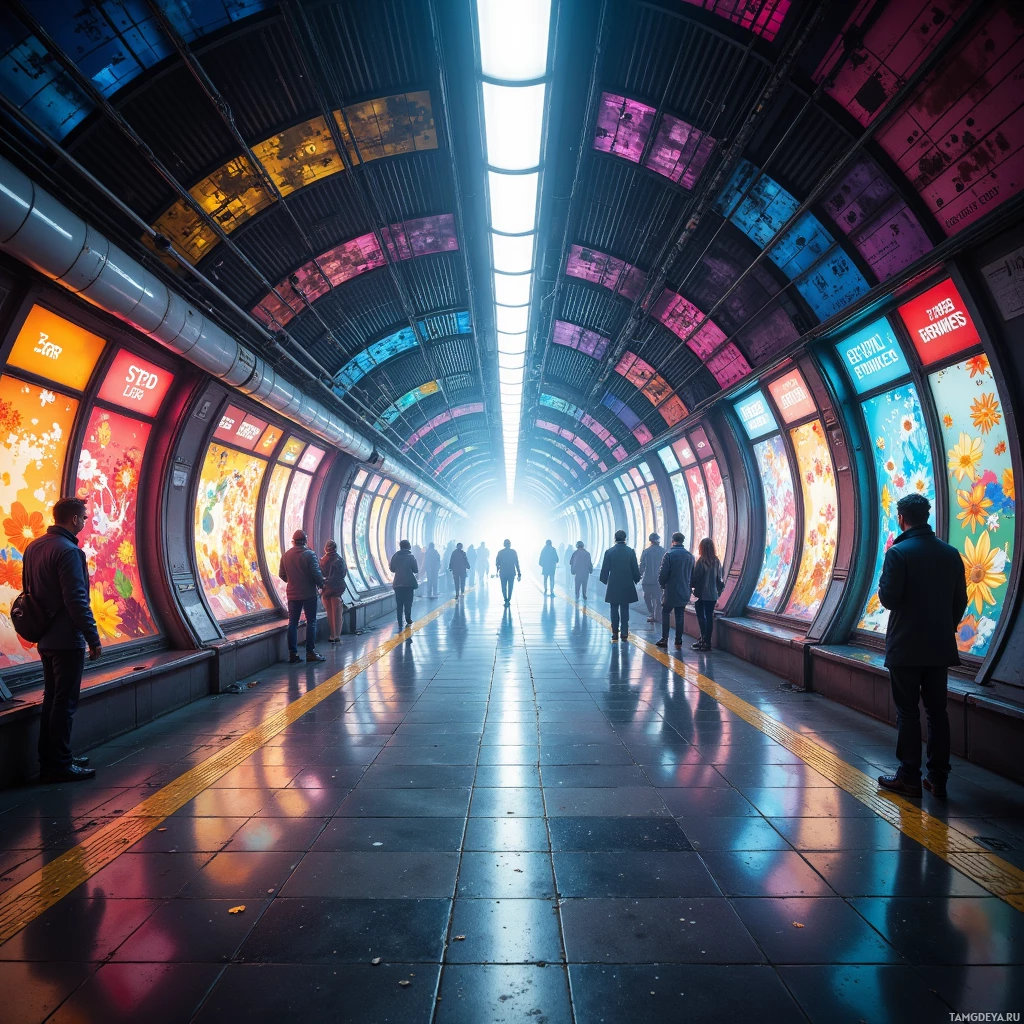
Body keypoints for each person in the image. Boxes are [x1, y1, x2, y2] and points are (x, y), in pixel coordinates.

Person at [876, 493, 968, 799]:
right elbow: (960, 600)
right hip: (939, 646)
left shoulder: (898, 553)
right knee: (937, 711)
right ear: (926, 517)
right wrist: (945, 627)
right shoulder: (950, 554)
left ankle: (909, 777)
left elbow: (889, 599)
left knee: (908, 711)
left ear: (902, 518)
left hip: (905, 646)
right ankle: (938, 778)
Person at [22, 497, 101, 783]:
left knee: (52, 699)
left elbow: (28, 591)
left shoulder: (34, 547)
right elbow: (76, 600)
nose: (85, 522)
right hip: (67, 639)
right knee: (64, 702)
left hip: (45, 637)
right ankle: (59, 764)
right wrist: (92, 637)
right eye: (84, 517)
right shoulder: (69, 551)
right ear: (74, 519)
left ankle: (53, 758)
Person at [280, 529, 326, 663]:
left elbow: (282, 575)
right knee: (311, 622)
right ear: (305, 541)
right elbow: (316, 574)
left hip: (292, 595)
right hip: (308, 594)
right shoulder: (310, 555)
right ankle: (310, 652)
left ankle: (293, 654)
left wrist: (292, 581)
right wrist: (321, 584)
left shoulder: (286, 555)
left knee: (292, 623)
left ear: (293, 541)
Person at [654, 532, 695, 649]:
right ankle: (678, 641)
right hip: (684, 591)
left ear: (673, 541)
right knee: (680, 615)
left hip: (670, 591)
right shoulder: (690, 556)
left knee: (665, 612)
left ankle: (664, 639)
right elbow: (693, 576)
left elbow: (662, 575)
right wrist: (689, 588)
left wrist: (663, 586)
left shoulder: (669, 555)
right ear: (683, 541)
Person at [600, 529, 641, 643]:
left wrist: (604, 580)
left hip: (613, 584)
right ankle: (624, 632)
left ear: (615, 539)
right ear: (625, 539)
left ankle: (614, 632)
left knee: (613, 608)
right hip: (626, 583)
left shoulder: (609, 552)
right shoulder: (630, 552)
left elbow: (605, 569)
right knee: (624, 608)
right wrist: (636, 579)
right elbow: (634, 568)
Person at [690, 537, 724, 651]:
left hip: (700, 594)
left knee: (701, 617)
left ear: (701, 548)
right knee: (709, 618)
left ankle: (703, 640)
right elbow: (719, 579)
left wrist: (691, 586)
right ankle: (707, 642)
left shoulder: (701, 561)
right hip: (712, 595)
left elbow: (696, 578)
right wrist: (717, 593)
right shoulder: (716, 561)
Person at [319, 540, 348, 643]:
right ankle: (337, 635)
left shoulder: (322, 560)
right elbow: (343, 573)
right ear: (335, 548)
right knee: (337, 614)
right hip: (337, 589)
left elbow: (320, 574)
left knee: (330, 613)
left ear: (325, 549)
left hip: (326, 589)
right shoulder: (339, 560)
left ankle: (332, 635)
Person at [390, 539, 419, 629]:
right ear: (408, 547)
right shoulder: (411, 557)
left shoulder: (395, 556)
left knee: (399, 603)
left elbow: (392, 569)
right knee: (408, 602)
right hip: (409, 583)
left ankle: (399, 620)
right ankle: (408, 619)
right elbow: (415, 570)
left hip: (397, 583)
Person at [639, 532, 666, 625]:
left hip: (647, 580)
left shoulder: (646, 551)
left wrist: (639, 575)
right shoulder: (664, 551)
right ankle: (656, 616)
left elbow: (642, 565)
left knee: (647, 597)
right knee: (658, 599)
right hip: (659, 580)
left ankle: (651, 613)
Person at [495, 539, 521, 607]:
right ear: (510, 544)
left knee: (503, 587)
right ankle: (508, 600)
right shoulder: (513, 552)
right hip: (511, 572)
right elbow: (516, 563)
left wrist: (497, 571)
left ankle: (505, 599)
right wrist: (519, 573)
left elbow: (497, 563)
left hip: (503, 572)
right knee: (510, 587)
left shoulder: (500, 552)